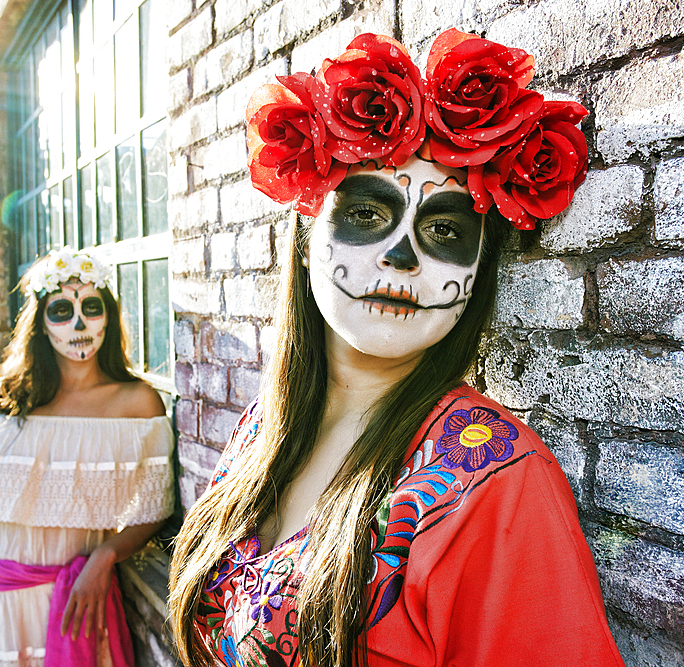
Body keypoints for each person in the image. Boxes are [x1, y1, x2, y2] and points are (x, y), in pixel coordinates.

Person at [168, 30, 626, 667]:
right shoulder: (261, 428)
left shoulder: (497, 486)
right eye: (365, 215)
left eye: (443, 228)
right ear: (306, 238)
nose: (401, 256)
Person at [0, 247, 174, 667]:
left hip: (71, 609)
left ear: (108, 316)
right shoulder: (6, 399)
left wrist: (107, 554)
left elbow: (154, 506)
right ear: (39, 323)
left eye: (91, 307)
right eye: (61, 310)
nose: (79, 323)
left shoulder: (137, 404)